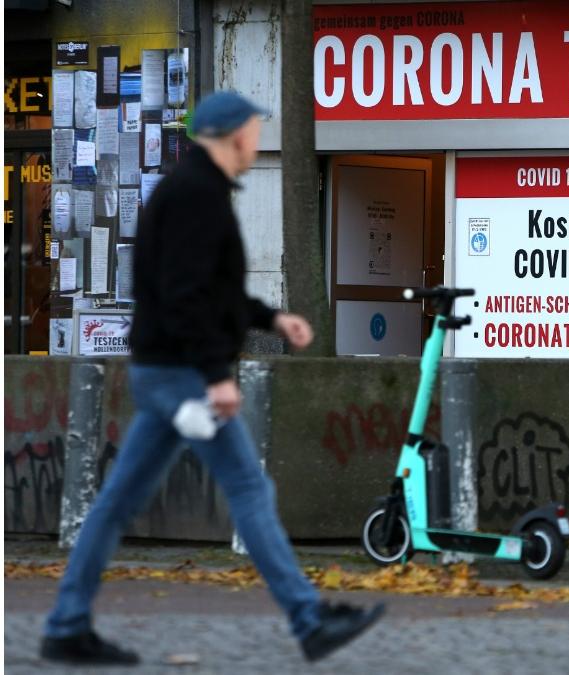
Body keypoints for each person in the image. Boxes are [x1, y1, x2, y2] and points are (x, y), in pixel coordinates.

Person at [40, 92, 385, 666]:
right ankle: (308, 619)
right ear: (233, 134)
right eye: (254, 129)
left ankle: (67, 624)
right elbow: (186, 298)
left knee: (118, 503)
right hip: (181, 376)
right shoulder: (197, 196)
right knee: (249, 490)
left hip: (166, 374)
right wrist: (216, 376)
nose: (257, 138)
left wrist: (271, 319)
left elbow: (212, 292)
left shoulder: (196, 191)